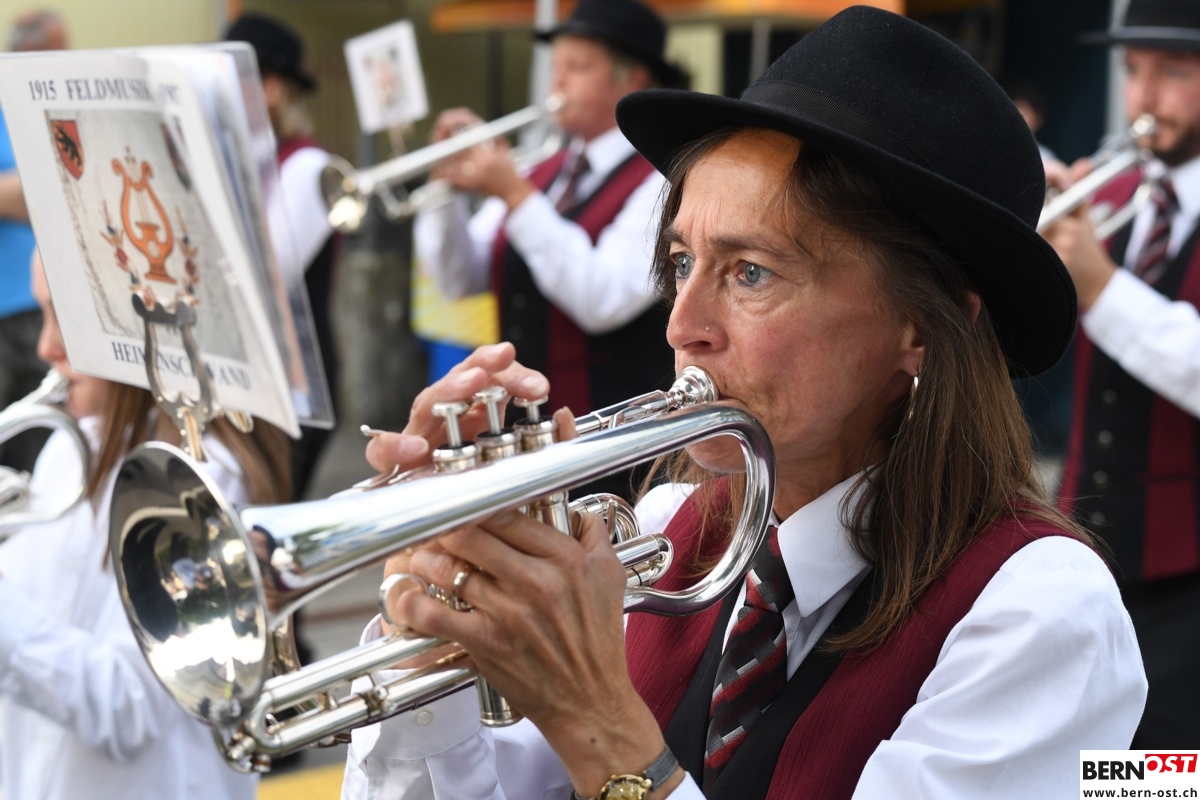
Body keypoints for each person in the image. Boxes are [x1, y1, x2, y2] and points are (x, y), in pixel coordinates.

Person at [342, 7, 1146, 799]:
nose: (682, 325)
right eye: (683, 262)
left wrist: (599, 721)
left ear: (922, 328)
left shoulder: (1037, 612)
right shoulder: (664, 533)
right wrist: (433, 628)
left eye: (751, 272)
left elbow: (602, 755)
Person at [0, 253, 291, 799]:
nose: (44, 347)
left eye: (62, 315)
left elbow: (127, 707)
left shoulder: (203, 480)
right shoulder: (69, 448)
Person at [1042, 0, 1200, 748]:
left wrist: (1102, 286)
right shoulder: (1118, 200)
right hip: (1093, 551)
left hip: (1188, 576)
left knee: (1164, 769)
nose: (1143, 98)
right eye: (1133, 70)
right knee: (1090, 756)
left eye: (1173, 71)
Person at [415, 0, 686, 426]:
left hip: (613, 430)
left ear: (631, 76)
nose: (556, 80)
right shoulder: (538, 172)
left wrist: (515, 195)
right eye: (555, 65)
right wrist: (443, 190)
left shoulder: (661, 180)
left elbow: (602, 299)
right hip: (523, 423)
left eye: (576, 66)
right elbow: (457, 279)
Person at [225, 12, 339, 503]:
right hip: (248, 382)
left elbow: (258, 273)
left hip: (291, 394)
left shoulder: (307, 168)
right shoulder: (245, 161)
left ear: (270, 89)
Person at [0, 9, 68, 474]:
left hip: (39, 303)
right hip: (6, 307)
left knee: (39, 443)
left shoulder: (50, 107)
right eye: (60, 48)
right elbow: (51, 188)